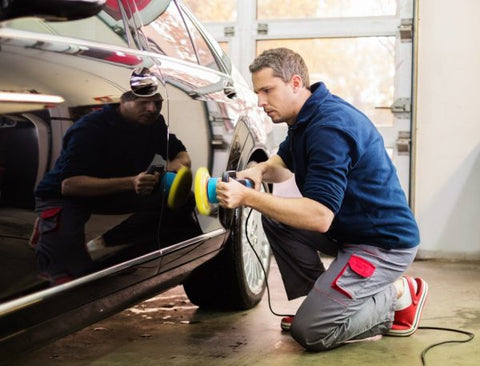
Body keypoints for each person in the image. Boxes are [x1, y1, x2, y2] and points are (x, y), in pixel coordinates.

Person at [216, 48, 428, 351]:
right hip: (350, 233)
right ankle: (319, 305)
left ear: (295, 83)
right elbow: (283, 166)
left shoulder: (329, 127)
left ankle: (398, 294)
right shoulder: (306, 116)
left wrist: (248, 197)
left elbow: (319, 216)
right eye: (257, 92)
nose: (260, 102)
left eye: (267, 90)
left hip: (383, 245)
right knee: (276, 217)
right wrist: (259, 171)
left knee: (311, 333)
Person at [32, 91, 191, 283]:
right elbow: (69, 185)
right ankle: (49, 226)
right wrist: (132, 181)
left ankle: (107, 246)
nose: (152, 109)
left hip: (120, 190)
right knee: (70, 277)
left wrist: (168, 168)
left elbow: (182, 157)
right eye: (144, 102)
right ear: (122, 100)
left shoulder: (154, 123)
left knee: (184, 202)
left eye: (158, 103)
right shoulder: (90, 128)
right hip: (69, 196)